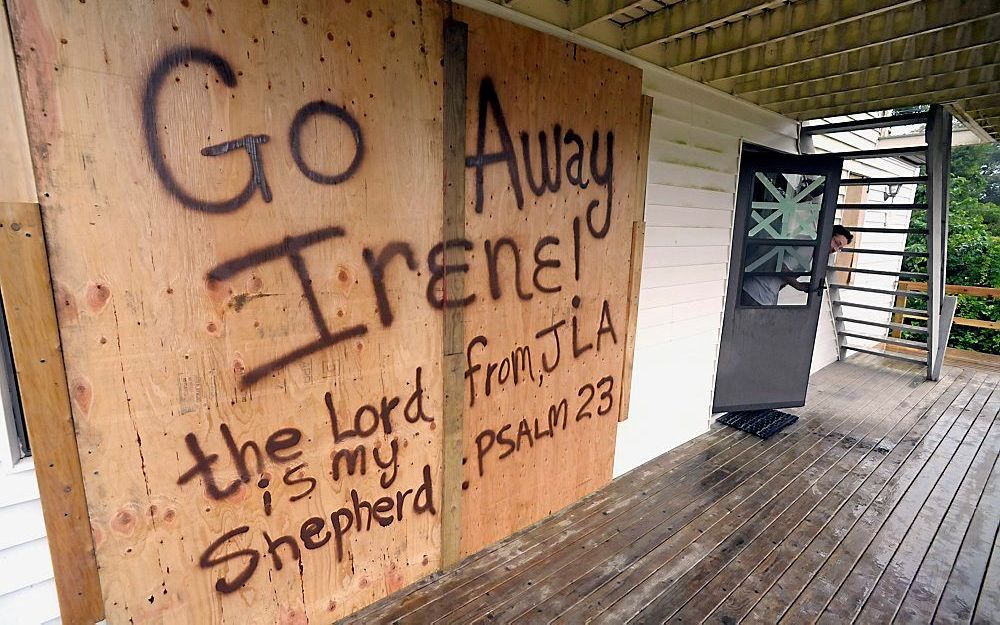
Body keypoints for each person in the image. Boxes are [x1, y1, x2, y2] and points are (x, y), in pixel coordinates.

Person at [740, 224, 853, 306]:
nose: (835, 249)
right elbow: (781, 267)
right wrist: (798, 285)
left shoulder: (809, 243)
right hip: (757, 292)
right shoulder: (808, 247)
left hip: (759, 290)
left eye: (840, 248)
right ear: (828, 235)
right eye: (836, 243)